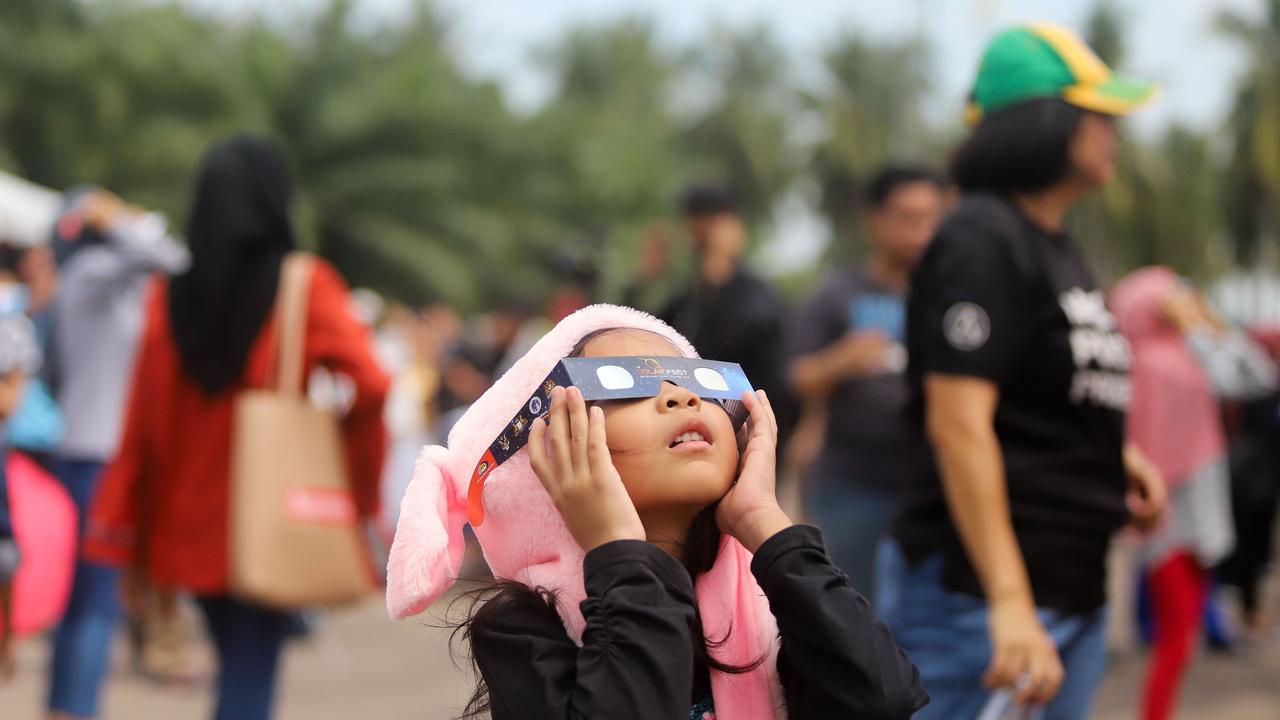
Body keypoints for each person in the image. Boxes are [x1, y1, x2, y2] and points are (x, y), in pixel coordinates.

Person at [385, 304, 928, 719]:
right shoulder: (522, 630)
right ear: (548, 451)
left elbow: (882, 699)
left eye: (695, 378)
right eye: (624, 383)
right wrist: (620, 554)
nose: (679, 396)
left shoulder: (775, 599)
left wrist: (765, 521)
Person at [876, 23, 1167, 720]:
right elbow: (958, 425)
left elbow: (1032, 391)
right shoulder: (981, 238)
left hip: (1068, 586)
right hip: (981, 602)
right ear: (1047, 122)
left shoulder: (1054, 245)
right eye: (1099, 114)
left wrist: (1114, 456)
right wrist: (1009, 603)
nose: (1113, 132)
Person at [82, 136, 389, 720]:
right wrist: (347, 471)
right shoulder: (303, 284)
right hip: (272, 517)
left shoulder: (165, 297)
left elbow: (143, 427)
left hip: (184, 523)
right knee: (250, 674)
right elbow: (373, 385)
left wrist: (131, 530)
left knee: (235, 663)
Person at [43, 189, 190, 720]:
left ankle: (64, 705)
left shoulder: (105, 281)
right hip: (94, 457)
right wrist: (124, 217)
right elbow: (172, 257)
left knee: (86, 597)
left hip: (90, 454)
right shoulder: (91, 273)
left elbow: (169, 263)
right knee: (95, 601)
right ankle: (75, 708)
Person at [1112, 268, 1275, 720]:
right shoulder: (1156, 363)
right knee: (1176, 639)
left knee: (1179, 639)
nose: (1186, 299)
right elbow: (1253, 378)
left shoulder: (1171, 355)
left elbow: (1256, 377)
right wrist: (1202, 331)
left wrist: (1205, 328)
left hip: (1189, 517)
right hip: (1173, 522)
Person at [787, 163, 946, 597]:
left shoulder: (949, 296)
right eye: (907, 218)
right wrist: (841, 361)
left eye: (931, 218)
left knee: (920, 619)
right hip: (852, 486)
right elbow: (797, 376)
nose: (920, 232)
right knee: (852, 609)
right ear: (875, 220)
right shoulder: (837, 293)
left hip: (933, 486)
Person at [656, 185, 794, 437]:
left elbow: (747, 344)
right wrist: (648, 278)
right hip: (687, 426)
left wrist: (719, 271)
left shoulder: (758, 295)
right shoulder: (688, 296)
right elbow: (649, 333)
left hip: (746, 429)